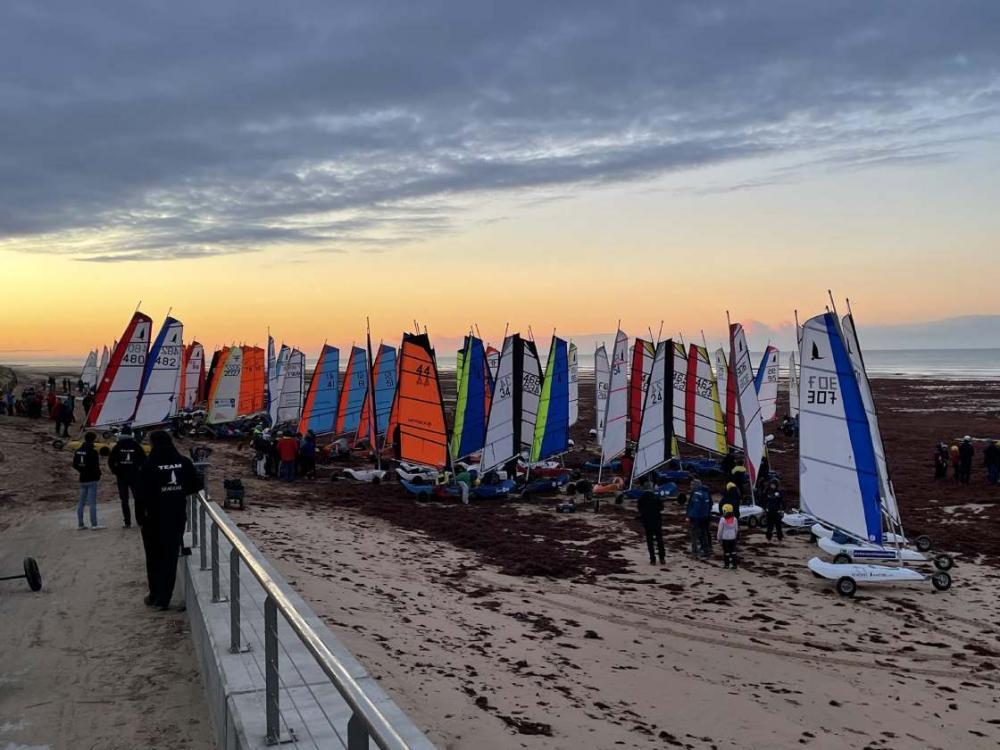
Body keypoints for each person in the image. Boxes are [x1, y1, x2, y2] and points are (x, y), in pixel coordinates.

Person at [135, 430, 203, 611]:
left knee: (153, 557)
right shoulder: (183, 462)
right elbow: (196, 485)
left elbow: (140, 493)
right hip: (176, 516)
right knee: (170, 558)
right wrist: (177, 492)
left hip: (153, 518)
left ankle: (155, 595)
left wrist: (139, 516)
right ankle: (164, 599)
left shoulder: (148, 464)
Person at [108, 426, 146, 528]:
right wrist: (139, 471)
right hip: (135, 477)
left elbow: (111, 461)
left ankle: (127, 522)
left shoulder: (117, 446)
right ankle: (140, 520)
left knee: (124, 500)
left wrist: (116, 472)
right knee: (138, 498)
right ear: (131, 434)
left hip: (121, 477)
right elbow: (144, 460)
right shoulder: (136, 445)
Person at [72, 432, 104, 529]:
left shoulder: (78, 450)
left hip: (82, 478)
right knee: (92, 503)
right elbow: (95, 466)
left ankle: (80, 524)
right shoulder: (93, 452)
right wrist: (98, 475)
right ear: (93, 440)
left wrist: (81, 470)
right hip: (92, 478)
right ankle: (94, 524)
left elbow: (74, 464)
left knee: (81, 502)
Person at [637, 482, 665, 565]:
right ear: (651, 488)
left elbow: (639, 509)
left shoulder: (641, 498)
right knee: (659, 539)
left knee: (650, 540)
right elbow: (661, 507)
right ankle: (662, 558)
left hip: (647, 521)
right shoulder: (656, 497)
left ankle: (652, 559)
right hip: (657, 520)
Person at [686, 479, 712, 557]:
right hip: (705, 517)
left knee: (694, 535)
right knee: (704, 534)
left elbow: (696, 507)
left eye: (691, 485)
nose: (690, 486)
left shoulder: (696, 494)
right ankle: (706, 551)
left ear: (695, 485)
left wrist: (689, 516)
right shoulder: (705, 492)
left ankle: (695, 552)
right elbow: (710, 504)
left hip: (697, 518)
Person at [717, 504, 739, 569]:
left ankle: (727, 565)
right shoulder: (734, 519)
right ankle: (734, 565)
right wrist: (735, 535)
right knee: (733, 551)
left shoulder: (722, 519)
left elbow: (720, 530)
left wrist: (718, 537)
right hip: (732, 538)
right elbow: (736, 529)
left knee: (726, 552)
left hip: (725, 538)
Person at [763, 477, 785, 541]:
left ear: (776, 485)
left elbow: (782, 501)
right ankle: (768, 537)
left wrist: (783, 508)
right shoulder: (767, 491)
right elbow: (764, 500)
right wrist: (765, 508)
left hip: (776, 512)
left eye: (774, 484)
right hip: (769, 512)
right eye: (771, 484)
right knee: (769, 526)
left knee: (778, 526)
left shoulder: (779, 492)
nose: (772, 486)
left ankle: (780, 537)